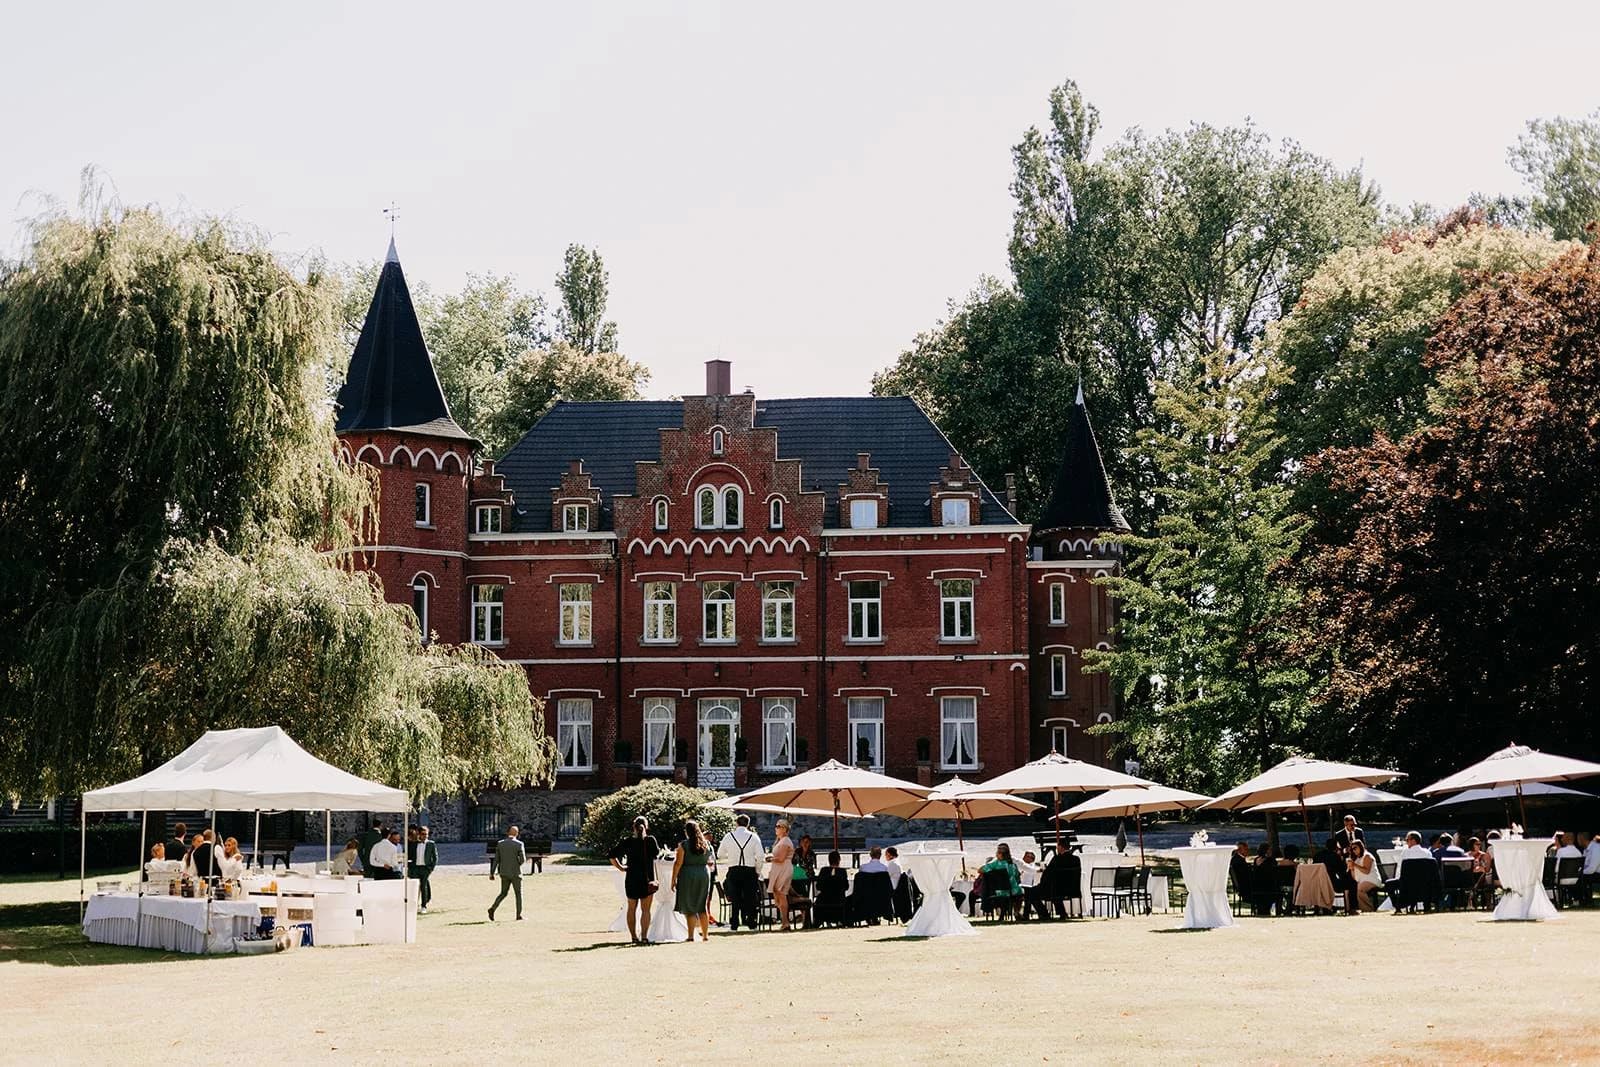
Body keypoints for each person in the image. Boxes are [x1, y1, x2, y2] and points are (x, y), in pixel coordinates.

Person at [609, 816, 662, 943]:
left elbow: (611, 855)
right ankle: (644, 937)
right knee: (646, 910)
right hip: (647, 878)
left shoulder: (627, 841)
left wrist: (621, 867)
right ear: (646, 827)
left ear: (633, 827)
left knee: (631, 908)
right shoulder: (650, 840)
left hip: (632, 878)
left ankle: (633, 937)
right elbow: (657, 854)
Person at [715, 814, 764, 932]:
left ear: (736, 823)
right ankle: (752, 924)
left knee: (735, 898)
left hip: (734, 870)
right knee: (750, 898)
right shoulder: (753, 836)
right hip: (749, 870)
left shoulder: (729, 836)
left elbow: (719, 855)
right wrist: (758, 870)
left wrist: (731, 856)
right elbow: (760, 856)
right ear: (748, 824)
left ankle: (734, 925)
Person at [671, 820, 713, 942]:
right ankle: (705, 935)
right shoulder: (706, 844)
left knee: (689, 904)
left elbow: (678, 863)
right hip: (703, 873)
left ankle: (690, 935)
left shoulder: (683, 845)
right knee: (702, 904)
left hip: (688, 874)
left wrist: (673, 879)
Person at [489, 826, 525, 921]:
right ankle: (518, 915)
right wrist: (517, 865)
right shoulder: (519, 844)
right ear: (517, 833)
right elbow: (523, 859)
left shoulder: (500, 844)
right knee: (518, 894)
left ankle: (493, 908)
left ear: (507, 832)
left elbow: (496, 859)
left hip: (504, 872)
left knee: (503, 893)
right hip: (515, 872)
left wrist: (492, 873)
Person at [766, 819, 796, 931]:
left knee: (781, 893)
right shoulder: (780, 841)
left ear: (784, 828)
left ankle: (785, 922)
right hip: (779, 869)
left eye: (778, 826)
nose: (776, 828)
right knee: (777, 894)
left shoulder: (785, 841)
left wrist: (771, 859)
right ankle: (784, 921)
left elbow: (782, 858)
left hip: (783, 868)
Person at [813, 851, 850, 926]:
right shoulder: (842, 872)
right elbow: (846, 887)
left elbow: (818, 886)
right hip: (839, 900)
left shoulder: (824, 871)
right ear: (839, 860)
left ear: (829, 860)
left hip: (824, 901)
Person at [1347, 840, 1382, 912]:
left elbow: (1367, 871)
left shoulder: (1367, 856)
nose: (1354, 851)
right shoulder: (1356, 859)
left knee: (1360, 889)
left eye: (1355, 848)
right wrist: (1352, 869)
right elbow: (1354, 877)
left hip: (1372, 880)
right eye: (1352, 849)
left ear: (1360, 847)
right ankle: (1353, 909)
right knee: (1352, 887)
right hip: (1362, 881)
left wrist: (1355, 865)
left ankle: (1368, 909)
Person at [411, 825, 438, 913]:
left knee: (424, 886)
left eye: (427, 834)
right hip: (415, 868)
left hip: (425, 868)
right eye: (423, 834)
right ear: (419, 834)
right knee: (414, 886)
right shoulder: (414, 844)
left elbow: (435, 857)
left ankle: (424, 906)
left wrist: (430, 868)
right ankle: (413, 904)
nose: (425, 836)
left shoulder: (431, 844)